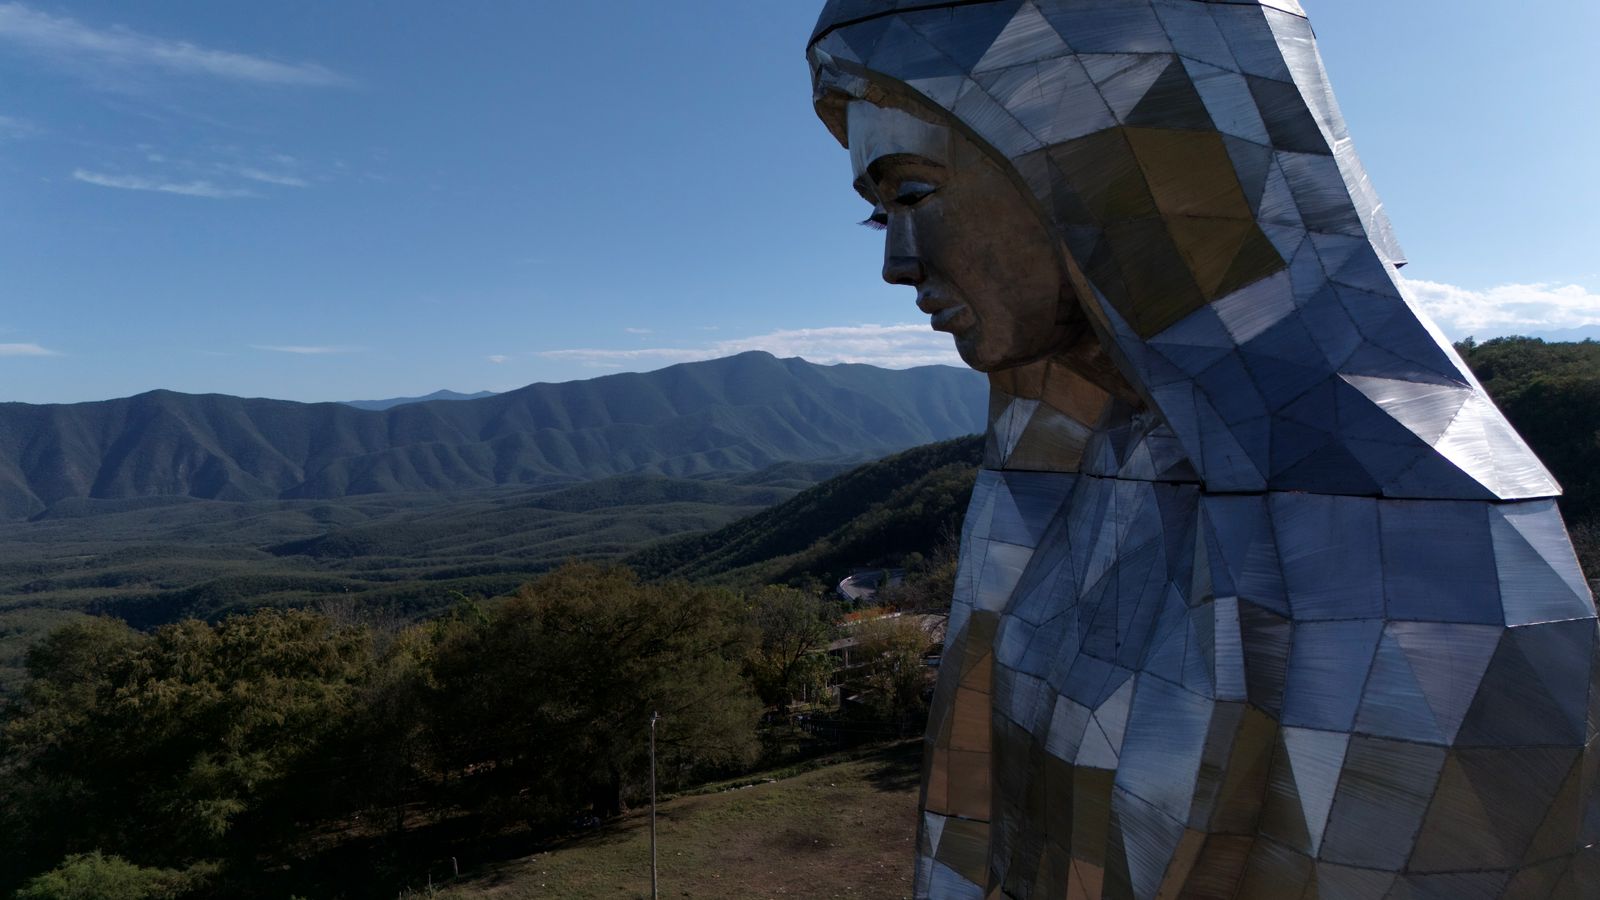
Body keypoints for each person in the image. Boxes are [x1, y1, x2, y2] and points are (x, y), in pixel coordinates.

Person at [806, 2, 1600, 897]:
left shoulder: (1422, 533)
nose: (899, 263)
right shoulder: (1098, 465)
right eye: (880, 216)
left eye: (913, 192)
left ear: (1096, 158)